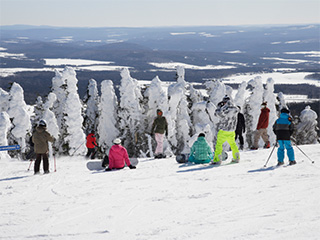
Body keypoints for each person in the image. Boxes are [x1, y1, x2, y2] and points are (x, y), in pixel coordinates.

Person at [213, 95, 240, 165]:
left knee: (219, 145)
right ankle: (236, 157)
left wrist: (219, 108)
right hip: (232, 130)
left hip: (223, 130)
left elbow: (217, 114)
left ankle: (217, 159)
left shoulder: (224, 109)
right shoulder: (235, 109)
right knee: (233, 144)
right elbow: (238, 109)